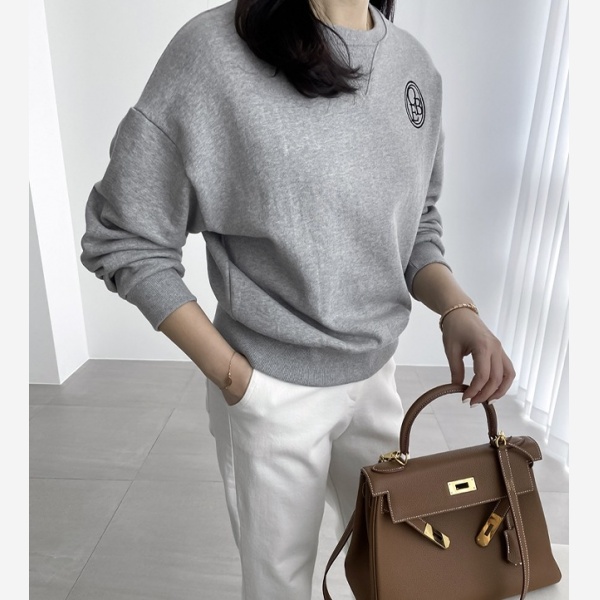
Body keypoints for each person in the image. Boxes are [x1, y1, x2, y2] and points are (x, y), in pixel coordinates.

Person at [80, 0, 516, 598]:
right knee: (279, 586)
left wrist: (457, 308)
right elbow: (125, 236)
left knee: (399, 570)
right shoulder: (212, 52)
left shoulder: (413, 65)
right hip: (271, 391)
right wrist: (235, 378)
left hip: (377, 377)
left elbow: (416, 223)